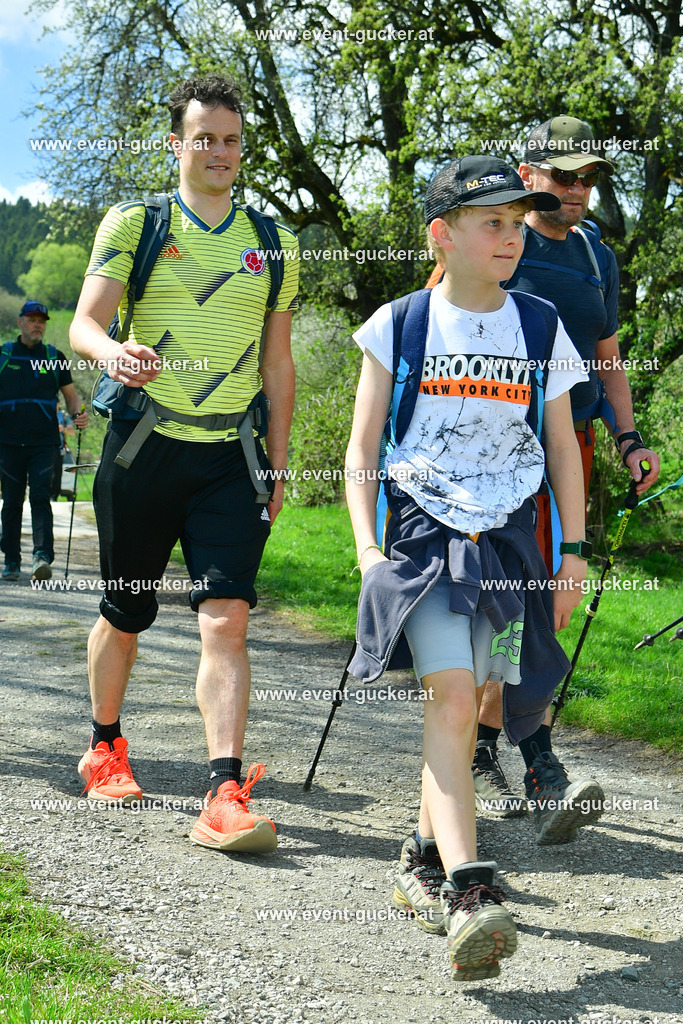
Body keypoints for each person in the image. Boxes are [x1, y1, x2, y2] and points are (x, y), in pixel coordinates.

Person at [345, 156, 592, 979]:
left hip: (510, 540)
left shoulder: (539, 326)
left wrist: (571, 556)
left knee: (471, 696)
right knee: (452, 695)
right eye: (492, 222)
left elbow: (561, 446)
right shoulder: (397, 323)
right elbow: (361, 449)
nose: (511, 237)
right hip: (422, 532)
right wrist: (366, 550)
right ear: (441, 235)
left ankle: (419, 858)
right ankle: (468, 892)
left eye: (517, 223)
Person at [69, 74, 299, 852]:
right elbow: (84, 324)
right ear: (177, 144)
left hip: (231, 456)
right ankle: (105, 747)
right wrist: (114, 353)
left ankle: (224, 791)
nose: (219, 152)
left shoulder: (274, 243)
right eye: (204, 138)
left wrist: (280, 458)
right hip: (143, 449)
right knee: (126, 612)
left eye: (231, 139)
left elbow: (279, 364)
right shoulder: (138, 222)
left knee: (226, 619)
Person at [427, 116, 661, 834]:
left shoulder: (596, 257)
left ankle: (491, 746)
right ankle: (538, 763)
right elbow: (432, 325)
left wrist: (627, 438)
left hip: (573, 449)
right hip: (492, 451)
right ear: (527, 176)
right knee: (507, 598)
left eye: (588, 178)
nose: (577, 191)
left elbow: (607, 356)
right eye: (563, 177)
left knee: (548, 594)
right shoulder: (499, 240)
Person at [0, 300, 88, 581]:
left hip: (44, 443)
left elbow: (71, 396)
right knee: (11, 501)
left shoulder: (54, 357)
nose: (38, 324)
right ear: (20, 322)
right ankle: (11, 560)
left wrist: (78, 414)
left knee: (41, 497)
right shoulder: (4, 355)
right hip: (7, 442)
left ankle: (42, 557)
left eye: (42, 320)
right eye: (32, 319)